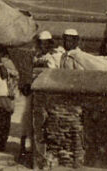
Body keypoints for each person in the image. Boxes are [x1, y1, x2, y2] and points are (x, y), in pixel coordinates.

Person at [19, 30, 65, 158]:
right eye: (41, 43)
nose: (43, 46)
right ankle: (25, 147)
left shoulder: (53, 57)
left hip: (46, 92)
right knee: (28, 118)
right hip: (35, 91)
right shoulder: (36, 56)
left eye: (46, 43)